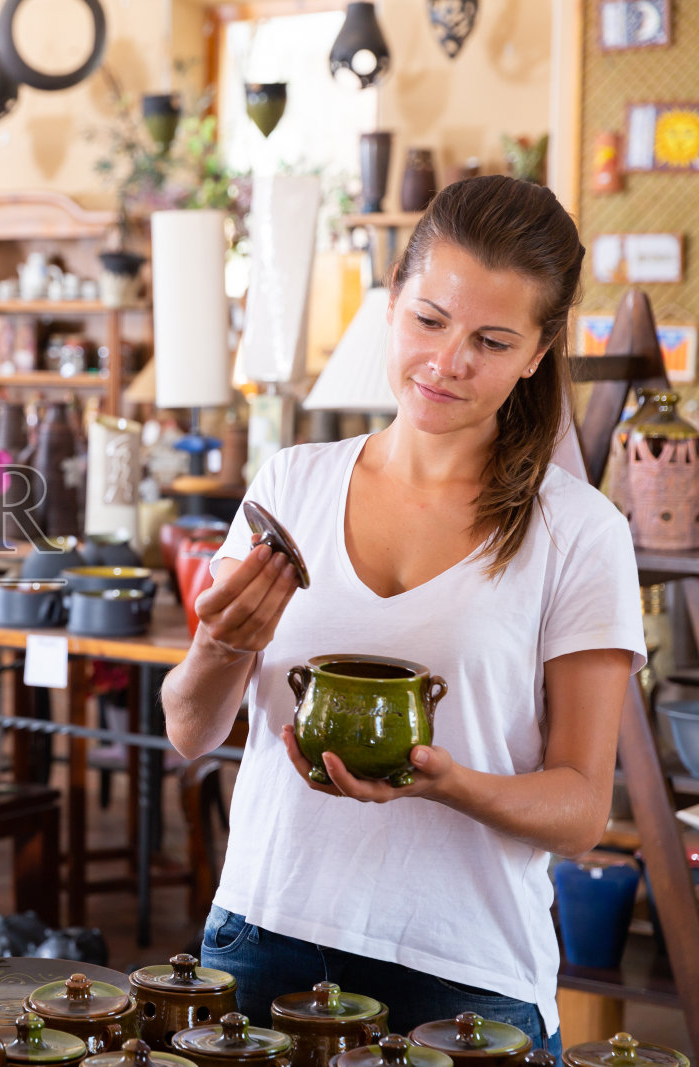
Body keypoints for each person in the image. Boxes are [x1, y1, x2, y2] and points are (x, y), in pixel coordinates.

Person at [160, 175, 643, 1056]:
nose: (448, 360)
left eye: (491, 340)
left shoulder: (579, 532)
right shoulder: (292, 485)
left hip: (465, 973)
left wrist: (444, 781)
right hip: (263, 935)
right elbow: (192, 728)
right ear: (392, 305)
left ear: (538, 352)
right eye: (429, 320)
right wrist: (223, 644)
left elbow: (580, 808)